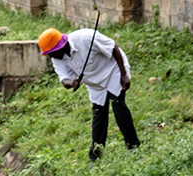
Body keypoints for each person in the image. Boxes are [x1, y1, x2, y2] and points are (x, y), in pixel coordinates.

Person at [37, 26, 139, 161]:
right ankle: (95, 155)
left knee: (118, 106)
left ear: (61, 46)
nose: (51, 56)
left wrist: (124, 75)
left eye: (52, 52)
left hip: (113, 70)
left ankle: (133, 147)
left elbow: (113, 47)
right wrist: (72, 83)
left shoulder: (86, 37)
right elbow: (64, 80)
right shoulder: (57, 58)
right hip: (94, 83)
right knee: (98, 114)